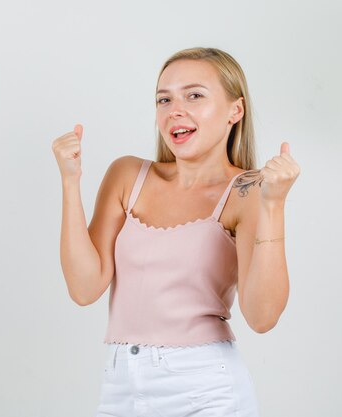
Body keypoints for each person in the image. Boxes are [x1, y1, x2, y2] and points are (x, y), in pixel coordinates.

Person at [52, 47, 300, 416]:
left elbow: (262, 317)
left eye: (194, 95)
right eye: (163, 99)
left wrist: (273, 205)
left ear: (236, 111)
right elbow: (84, 288)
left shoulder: (247, 191)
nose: (174, 110)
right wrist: (70, 182)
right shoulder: (127, 175)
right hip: (122, 385)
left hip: (204, 387)